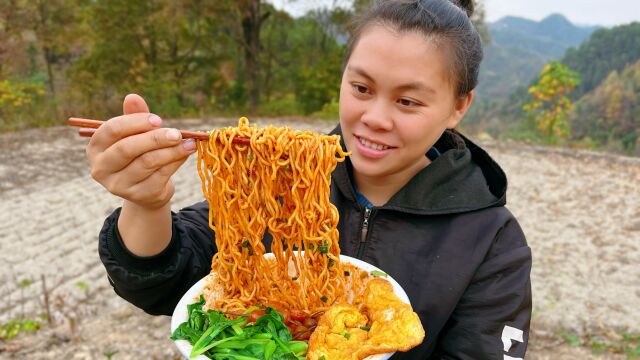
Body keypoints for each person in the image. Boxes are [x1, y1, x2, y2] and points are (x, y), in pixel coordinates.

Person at [89, 0, 532, 358]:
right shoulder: (281, 179)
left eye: (409, 101)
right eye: (361, 89)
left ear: (459, 106)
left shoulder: (492, 241)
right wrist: (146, 203)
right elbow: (166, 279)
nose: (374, 119)